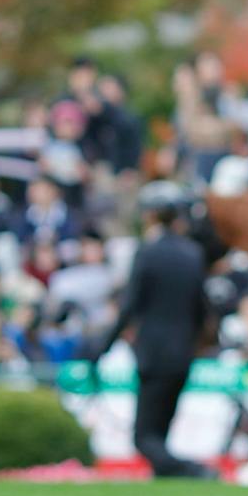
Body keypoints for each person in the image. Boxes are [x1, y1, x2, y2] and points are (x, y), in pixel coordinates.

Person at [90, 184, 213, 479]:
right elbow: (202, 310)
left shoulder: (147, 253)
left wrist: (102, 347)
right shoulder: (193, 254)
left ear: (151, 216)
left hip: (153, 354)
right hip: (184, 354)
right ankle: (171, 477)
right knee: (160, 434)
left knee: (143, 438)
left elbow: (129, 307)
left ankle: (194, 470)